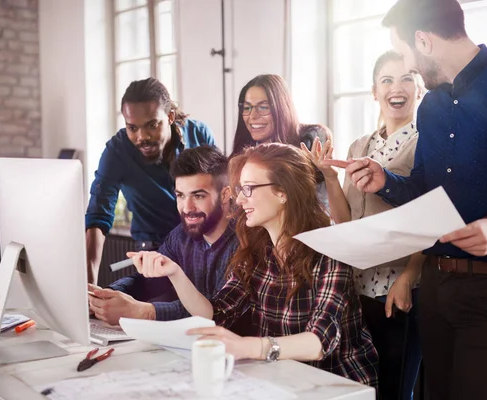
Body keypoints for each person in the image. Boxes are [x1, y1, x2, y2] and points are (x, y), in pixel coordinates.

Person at [327, 1, 487, 399]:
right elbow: (425, 192)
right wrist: (385, 181)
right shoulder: (431, 107)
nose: (410, 68)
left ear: (424, 40)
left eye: (408, 55)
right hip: (435, 287)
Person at [130, 143, 379, 387]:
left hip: (337, 386)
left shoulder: (329, 249)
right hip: (282, 380)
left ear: (282, 192)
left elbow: (319, 342)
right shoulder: (257, 252)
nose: (238, 199)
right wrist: (174, 272)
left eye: (248, 189)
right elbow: (215, 314)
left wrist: (248, 346)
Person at [305, 50, 424, 400]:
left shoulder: (425, 144)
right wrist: (328, 175)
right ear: (374, 91)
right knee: (361, 388)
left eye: (406, 79)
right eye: (387, 80)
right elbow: (344, 220)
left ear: (419, 90)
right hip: (357, 288)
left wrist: (409, 276)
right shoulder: (360, 145)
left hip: (398, 286)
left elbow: (428, 217)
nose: (396, 88)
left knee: (395, 387)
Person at [85, 77, 215, 285]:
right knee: (123, 300)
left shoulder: (199, 134)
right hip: (153, 253)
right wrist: (89, 286)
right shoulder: (117, 151)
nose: (141, 137)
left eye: (152, 125)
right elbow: (98, 215)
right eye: (132, 128)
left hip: (203, 249)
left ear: (170, 116)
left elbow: (218, 198)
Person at [88, 146, 237, 325]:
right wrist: (104, 297)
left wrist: (143, 312)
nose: (187, 208)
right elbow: (149, 282)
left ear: (225, 194)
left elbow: (214, 313)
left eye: (198, 196)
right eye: (180, 196)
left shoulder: (244, 242)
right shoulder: (181, 236)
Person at [230, 74, 332, 207]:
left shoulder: (312, 137)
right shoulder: (244, 152)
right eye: (247, 107)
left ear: (281, 107)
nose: (253, 116)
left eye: (263, 107)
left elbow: (323, 205)